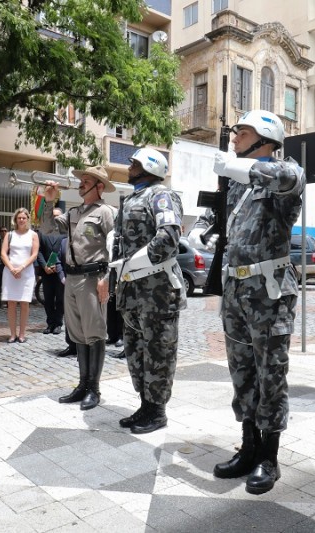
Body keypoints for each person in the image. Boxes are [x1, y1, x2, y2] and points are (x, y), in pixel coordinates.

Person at [188, 110, 304, 495]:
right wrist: (204, 228)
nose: (235, 137)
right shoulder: (236, 185)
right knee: (241, 371)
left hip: (268, 291)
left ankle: (269, 457)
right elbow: (215, 216)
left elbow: (285, 179)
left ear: (265, 138)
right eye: (235, 132)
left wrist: (238, 167)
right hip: (236, 291)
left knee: (271, 373)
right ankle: (249, 445)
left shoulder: (286, 173)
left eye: (243, 132)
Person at [108, 148, 185, 434]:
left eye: (135, 163)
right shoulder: (129, 200)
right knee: (135, 350)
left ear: (149, 167)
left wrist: (136, 263)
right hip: (131, 290)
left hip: (158, 290)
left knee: (158, 351)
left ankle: (157, 411)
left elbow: (169, 237)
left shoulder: (161, 196)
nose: (129, 167)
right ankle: (144, 404)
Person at [39, 166, 115, 410]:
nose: (81, 185)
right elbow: (47, 228)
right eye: (81, 181)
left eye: (86, 181)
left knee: (94, 333)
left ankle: (94, 388)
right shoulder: (74, 212)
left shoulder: (106, 212)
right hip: (71, 278)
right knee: (78, 334)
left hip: (93, 278)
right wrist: (49, 202)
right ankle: (82, 385)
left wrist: (109, 278)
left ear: (99, 186)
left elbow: (116, 247)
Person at [0, 208, 39, 343]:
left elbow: (34, 254)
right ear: (15, 220)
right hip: (10, 272)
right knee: (11, 303)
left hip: (26, 273)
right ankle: (12, 333)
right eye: (19, 218)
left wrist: (21, 267)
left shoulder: (33, 235)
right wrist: (11, 268)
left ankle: (22, 334)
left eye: (24, 218)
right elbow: (3, 253)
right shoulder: (9, 234)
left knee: (24, 303)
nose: (21, 220)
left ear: (28, 219)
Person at [37, 208, 65, 335]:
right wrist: (44, 266)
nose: (55, 218)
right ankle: (50, 323)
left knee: (60, 299)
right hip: (46, 272)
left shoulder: (66, 233)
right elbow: (39, 251)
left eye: (57, 216)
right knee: (48, 299)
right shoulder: (42, 232)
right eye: (53, 216)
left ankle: (58, 323)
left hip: (61, 272)